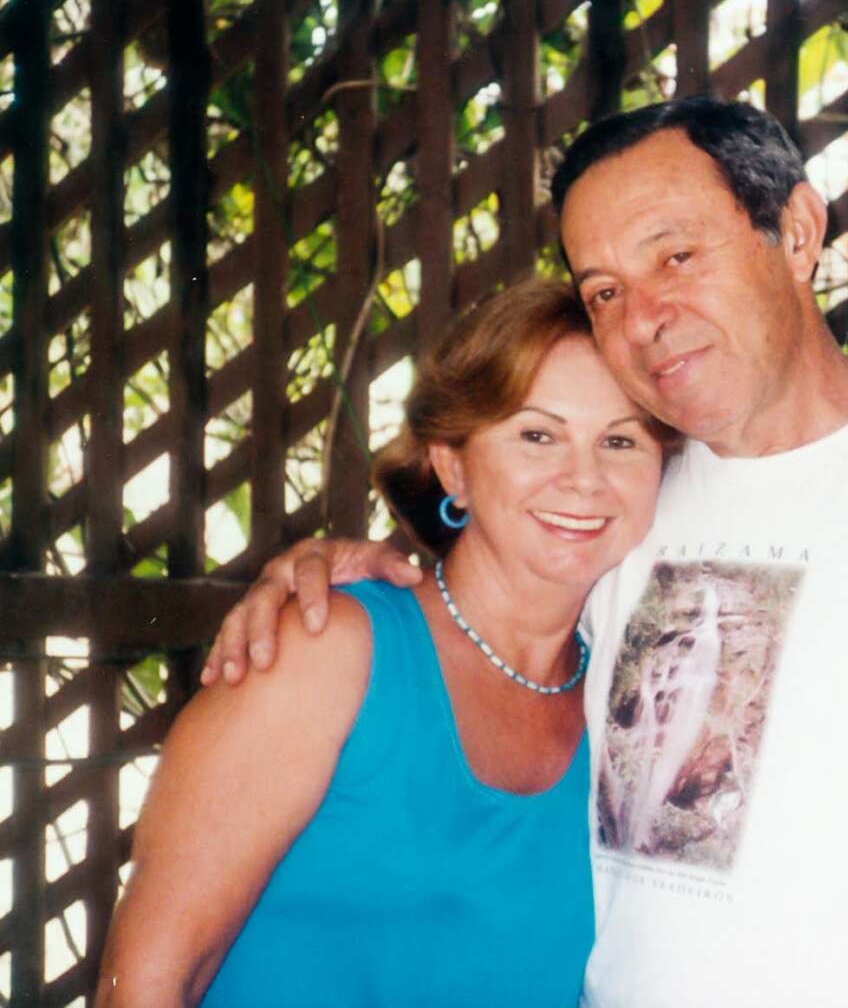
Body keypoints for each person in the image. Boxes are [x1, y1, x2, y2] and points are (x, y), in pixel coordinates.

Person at [204, 98, 848, 1006]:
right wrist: (349, 567)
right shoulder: (622, 502)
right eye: (604, 290)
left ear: (795, 232)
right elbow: (483, 623)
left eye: (675, 257)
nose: (643, 320)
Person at [95, 279, 674, 1006]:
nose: (583, 479)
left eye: (620, 441)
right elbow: (143, 981)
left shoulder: (629, 706)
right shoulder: (327, 650)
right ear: (453, 465)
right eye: (537, 434)